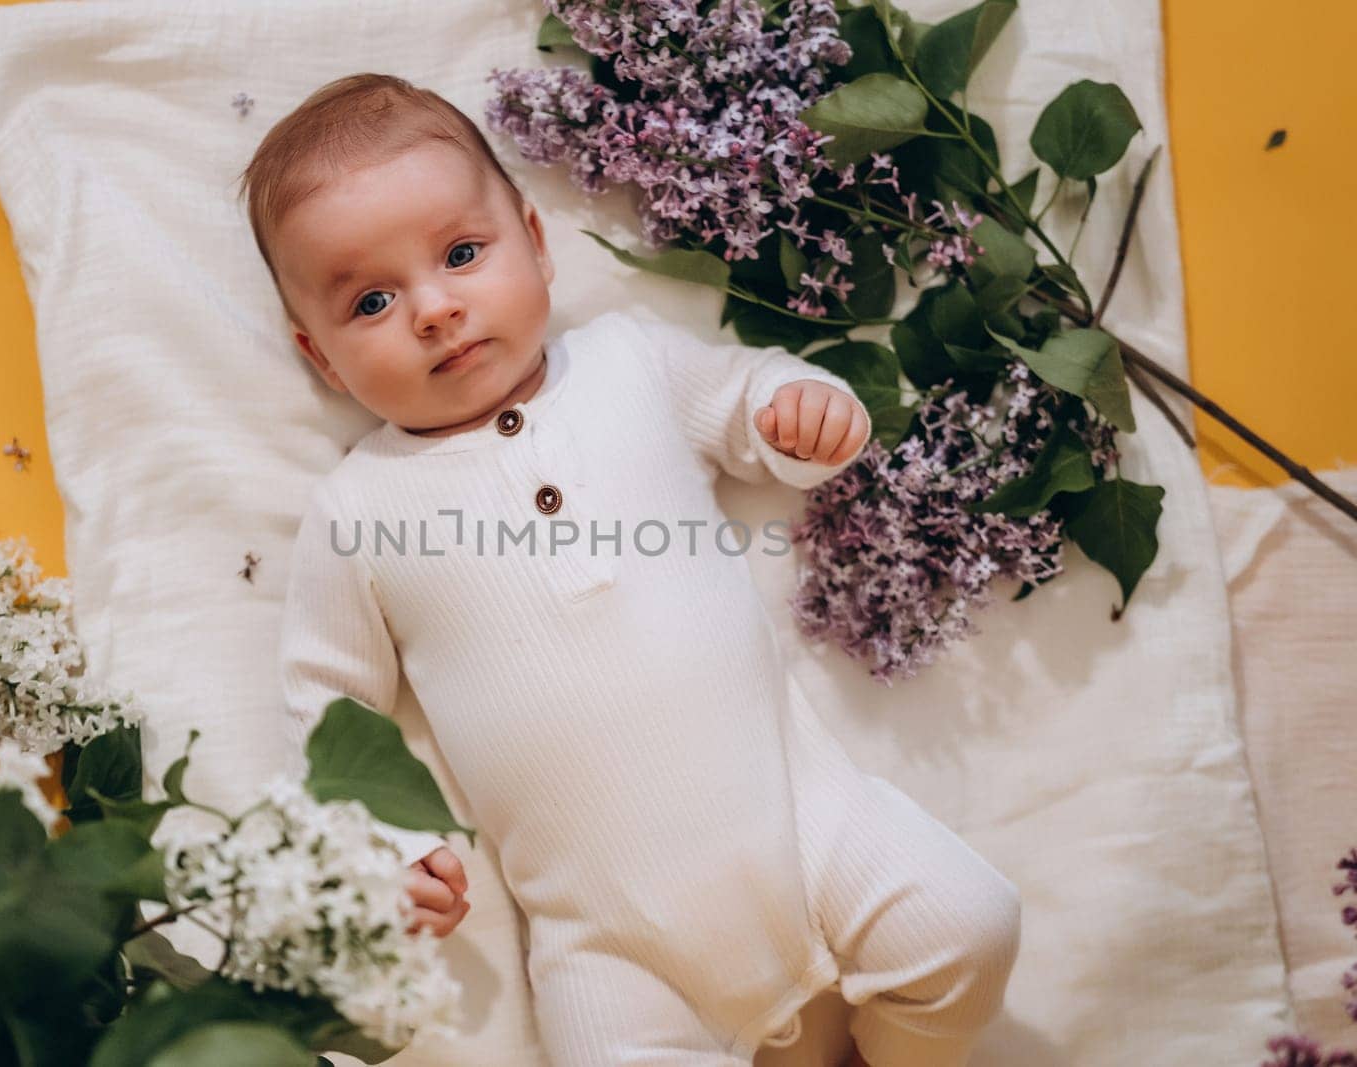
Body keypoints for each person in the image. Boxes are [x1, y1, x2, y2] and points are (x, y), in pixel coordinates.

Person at [238, 73, 1022, 1067]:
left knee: (970, 921)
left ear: (536, 237)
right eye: (373, 300)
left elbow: (746, 400)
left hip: (805, 824)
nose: (434, 308)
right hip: (607, 940)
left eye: (463, 253)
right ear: (321, 358)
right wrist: (379, 852)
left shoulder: (626, 363)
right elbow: (328, 710)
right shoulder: (356, 509)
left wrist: (802, 410)